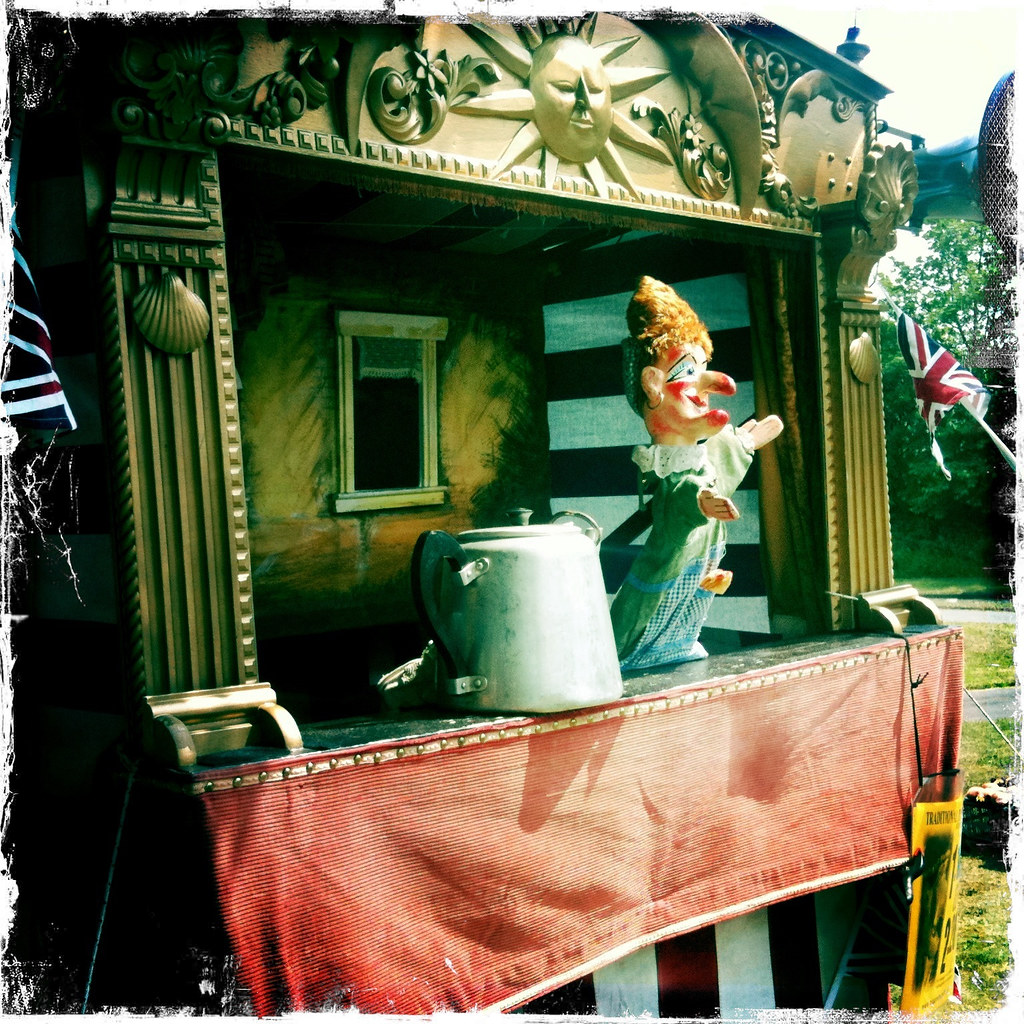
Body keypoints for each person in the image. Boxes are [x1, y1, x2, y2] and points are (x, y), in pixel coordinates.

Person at [610, 276, 782, 671]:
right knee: (651, 610)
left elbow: (713, 466)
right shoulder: (673, 469)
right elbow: (680, 497)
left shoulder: (700, 453)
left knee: (693, 603)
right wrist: (703, 500)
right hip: (667, 571)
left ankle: (679, 645)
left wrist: (742, 445)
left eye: (704, 366)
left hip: (698, 566)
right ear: (653, 385)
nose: (708, 382)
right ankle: (635, 656)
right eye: (689, 370)